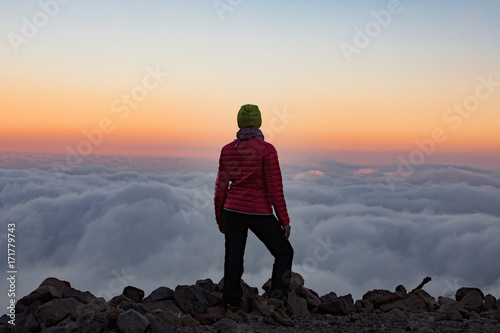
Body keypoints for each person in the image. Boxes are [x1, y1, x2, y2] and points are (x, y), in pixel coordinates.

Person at [214, 104, 294, 326]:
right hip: (258, 211)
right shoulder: (267, 149)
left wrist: (220, 216)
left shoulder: (227, 149)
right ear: (258, 122)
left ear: (239, 122)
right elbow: (275, 188)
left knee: (233, 258)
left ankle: (232, 307)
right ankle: (275, 304)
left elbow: (221, 185)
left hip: (232, 211)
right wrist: (284, 220)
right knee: (284, 252)